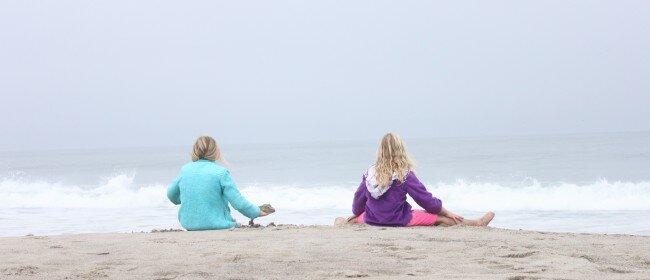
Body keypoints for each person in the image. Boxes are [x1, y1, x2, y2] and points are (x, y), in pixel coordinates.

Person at [339, 133, 494, 227]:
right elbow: (427, 201)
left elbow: (357, 203)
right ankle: (476, 223)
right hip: (398, 220)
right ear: (401, 150)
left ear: (380, 151)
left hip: (371, 219)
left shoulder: (370, 174)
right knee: (442, 219)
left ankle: (341, 222)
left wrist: (357, 214)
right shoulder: (403, 174)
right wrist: (447, 212)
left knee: (348, 219)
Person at [167, 136, 270, 230]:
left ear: (195, 151)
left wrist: (193, 197)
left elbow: (171, 195)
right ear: (215, 151)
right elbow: (237, 202)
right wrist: (255, 212)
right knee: (233, 224)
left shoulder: (185, 170)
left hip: (189, 225)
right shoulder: (220, 172)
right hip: (217, 225)